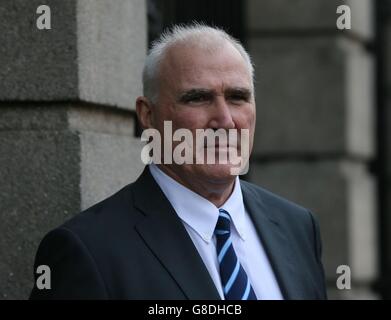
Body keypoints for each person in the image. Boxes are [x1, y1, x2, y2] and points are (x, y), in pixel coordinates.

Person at [30, 23, 327, 300]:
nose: (225, 120)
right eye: (197, 98)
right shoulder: (88, 250)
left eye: (237, 97)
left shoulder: (297, 227)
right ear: (148, 115)